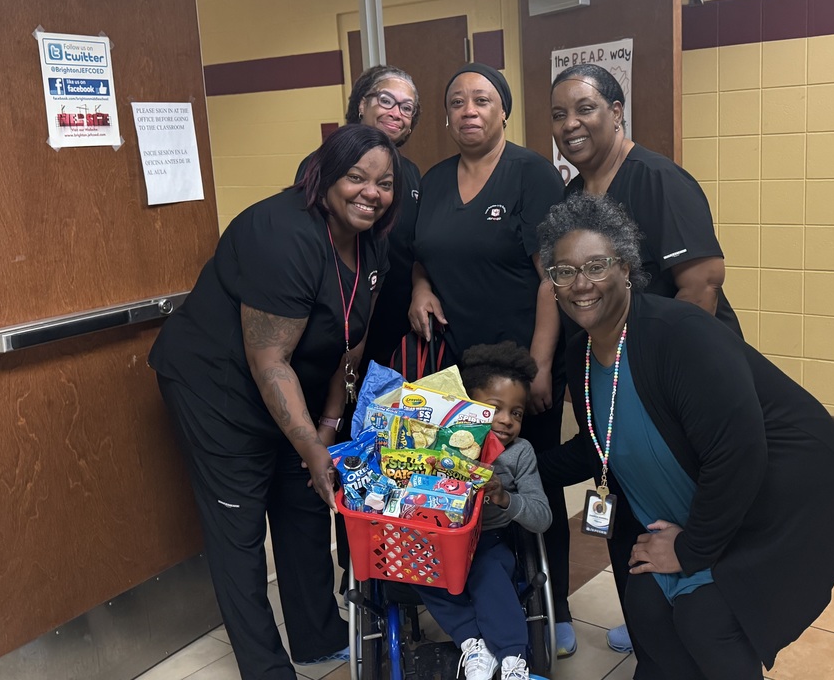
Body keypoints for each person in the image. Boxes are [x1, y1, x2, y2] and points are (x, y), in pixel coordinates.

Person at [536, 194, 834, 680]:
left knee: (707, 621)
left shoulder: (680, 334)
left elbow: (739, 452)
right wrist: (516, 466)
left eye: (596, 266)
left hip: (768, 500)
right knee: (646, 610)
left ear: (625, 268)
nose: (581, 284)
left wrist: (691, 549)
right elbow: (598, 445)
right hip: (687, 508)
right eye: (564, 271)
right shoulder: (580, 356)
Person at [149, 124, 402, 680]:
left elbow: (348, 335)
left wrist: (330, 423)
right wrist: (311, 444)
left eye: (384, 183)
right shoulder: (281, 233)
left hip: (294, 385)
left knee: (306, 503)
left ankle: (318, 636)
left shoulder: (371, 235)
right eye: (356, 177)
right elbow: (268, 361)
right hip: (219, 391)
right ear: (325, 175)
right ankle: (265, 668)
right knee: (239, 529)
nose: (371, 192)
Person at [550, 62, 742, 652]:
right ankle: (648, 613)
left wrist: (667, 376)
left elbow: (701, 282)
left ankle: (698, 620)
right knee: (626, 491)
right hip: (611, 376)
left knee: (682, 497)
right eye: (558, 114)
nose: (570, 124)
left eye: (584, 108)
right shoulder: (575, 194)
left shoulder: (658, 179)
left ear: (617, 110)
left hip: (667, 377)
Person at [409, 62, 577, 655]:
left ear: (504, 109)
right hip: (453, 370)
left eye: (482, 100)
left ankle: (552, 607)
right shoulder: (430, 181)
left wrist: (537, 366)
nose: (469, 111)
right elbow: (420, 250)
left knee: (529, 477)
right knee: (458, 480)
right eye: (457, 102)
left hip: (518, 367)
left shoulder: (531, 175)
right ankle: (475, 601)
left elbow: (551, 278)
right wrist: (420, 286)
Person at [415, 342, 552, 680]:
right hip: (435, 538)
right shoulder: (438, 441)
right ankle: (473, 643)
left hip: (489, 538)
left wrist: (506, 499)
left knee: (489, 571)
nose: (506, 421)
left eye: (516, 413)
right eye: (494, 409)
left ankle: (511, 659)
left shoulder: (520, 454)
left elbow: (542, 516)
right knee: (417, 569)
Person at [296, 64, 423, 370]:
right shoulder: (322, 164)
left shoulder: (412, 174)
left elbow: (416, 246)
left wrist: (423, 287)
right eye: (386, 100)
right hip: (336, 322)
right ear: (362, 105)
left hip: (395, 324)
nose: (396, 112)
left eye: (406, 107)